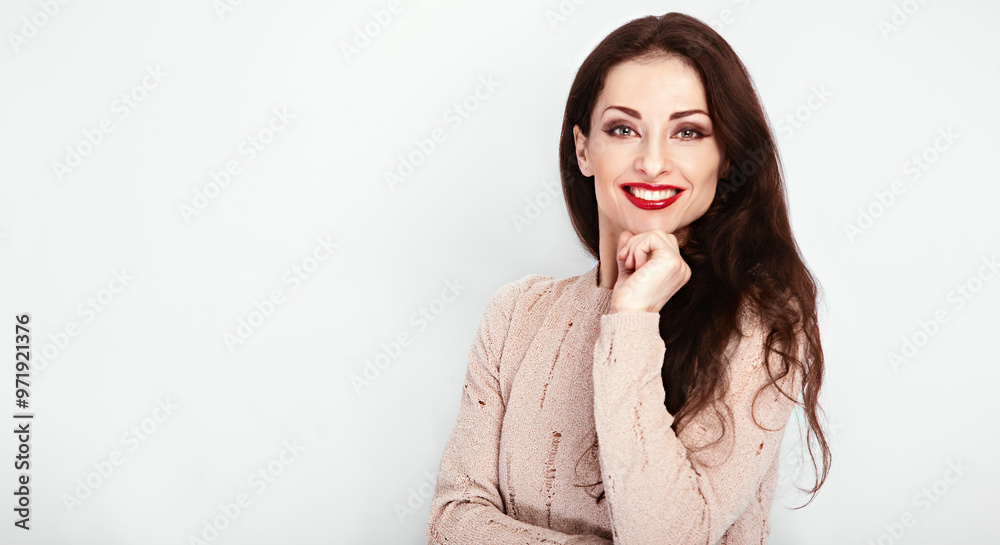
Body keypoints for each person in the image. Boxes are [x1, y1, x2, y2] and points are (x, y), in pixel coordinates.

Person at [425, 11, 830, 545]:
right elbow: (452, 521)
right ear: (583, 149)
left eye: (688, 131)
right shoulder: (517, 313)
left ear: (726, 157)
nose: (654, 162)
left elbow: (670, 537)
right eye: (623, 129)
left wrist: (633, 319)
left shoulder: (760, 325)